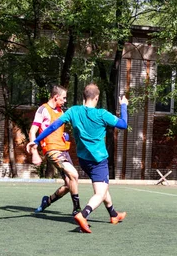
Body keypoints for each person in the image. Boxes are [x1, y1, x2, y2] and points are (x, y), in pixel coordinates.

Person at [27, 83, 128, 233]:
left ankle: (114, 214)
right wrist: (124, 106)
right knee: (100, 192)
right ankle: (83, 214)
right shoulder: (102, 114)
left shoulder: (73, 111)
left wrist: (36, 141)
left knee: (102, 185)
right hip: (98, 160)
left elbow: (53, 126)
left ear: (83, 97)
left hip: (83, 160)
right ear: (97, 97)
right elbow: (123, 124)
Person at [28, 85, 81, 215]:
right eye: (63, 98)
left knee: (70, 183)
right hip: (52, 150)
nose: (64, 101)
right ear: (56, 97)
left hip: (64, 150)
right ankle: (77, 210)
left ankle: (47, 201)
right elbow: (32, 131)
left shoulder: (61, 112)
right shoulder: (43, 109)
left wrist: (64, 135)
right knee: (74, 174)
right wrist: (34, 152)